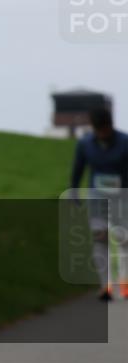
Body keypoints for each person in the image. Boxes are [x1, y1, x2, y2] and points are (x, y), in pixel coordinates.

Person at [69, 108, 128, 301]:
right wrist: (74, 190)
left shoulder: (125, 142)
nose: (102, 134)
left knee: (123, 240)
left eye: (105, 130)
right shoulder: (85, 144)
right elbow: (78, 169)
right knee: (100, 239)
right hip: (96, 197)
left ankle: (125, 285)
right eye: (99, 130)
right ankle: (106, 287)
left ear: (111, 125)